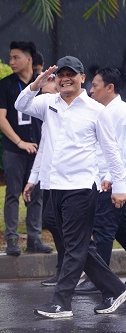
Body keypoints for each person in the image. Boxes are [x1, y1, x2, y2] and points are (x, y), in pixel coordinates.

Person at [15, 56, 126, 318]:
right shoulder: (47, 103)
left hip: (80, 187)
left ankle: (61, 302)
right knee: (75, 244)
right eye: (61, 74)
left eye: (71, 74)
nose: (66, 78)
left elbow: (112, 152)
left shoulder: (96, 110)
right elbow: (20, 104)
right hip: (55, 187)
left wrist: (120, 187)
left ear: (82, 79)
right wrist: (37, 83)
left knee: (75, 247)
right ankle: (114, 288)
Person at [0, 41, 51, 256]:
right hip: (14, 149)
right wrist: (19, 142)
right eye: (10, 58)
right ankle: (11, 240)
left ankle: (34, 239)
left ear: (29, 59)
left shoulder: (44, 85)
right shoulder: (5, 84)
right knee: (13, 193)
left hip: (39, 147)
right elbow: (0, 117)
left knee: (36, 194)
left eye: (16, 57)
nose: (11, 62)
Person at [74, 68, 126, 294]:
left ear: (110, 88)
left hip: (113, 182)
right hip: (103, 181)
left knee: (103, 229)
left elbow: (122, 151)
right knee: (118, 229)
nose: (90, 90)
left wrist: (112, 178)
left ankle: (99, 281)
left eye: (95, 86)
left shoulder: (120, 112)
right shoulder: (102, 111)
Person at [23, 77, 64, 287]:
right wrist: (32, 180)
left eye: (47, 94)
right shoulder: (48, 120)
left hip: (70, 184)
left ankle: (70, 270)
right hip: (49, 182)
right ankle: (63, 269)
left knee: (56, 222)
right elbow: (42, 152)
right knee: (51, 221)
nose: (43, 100)